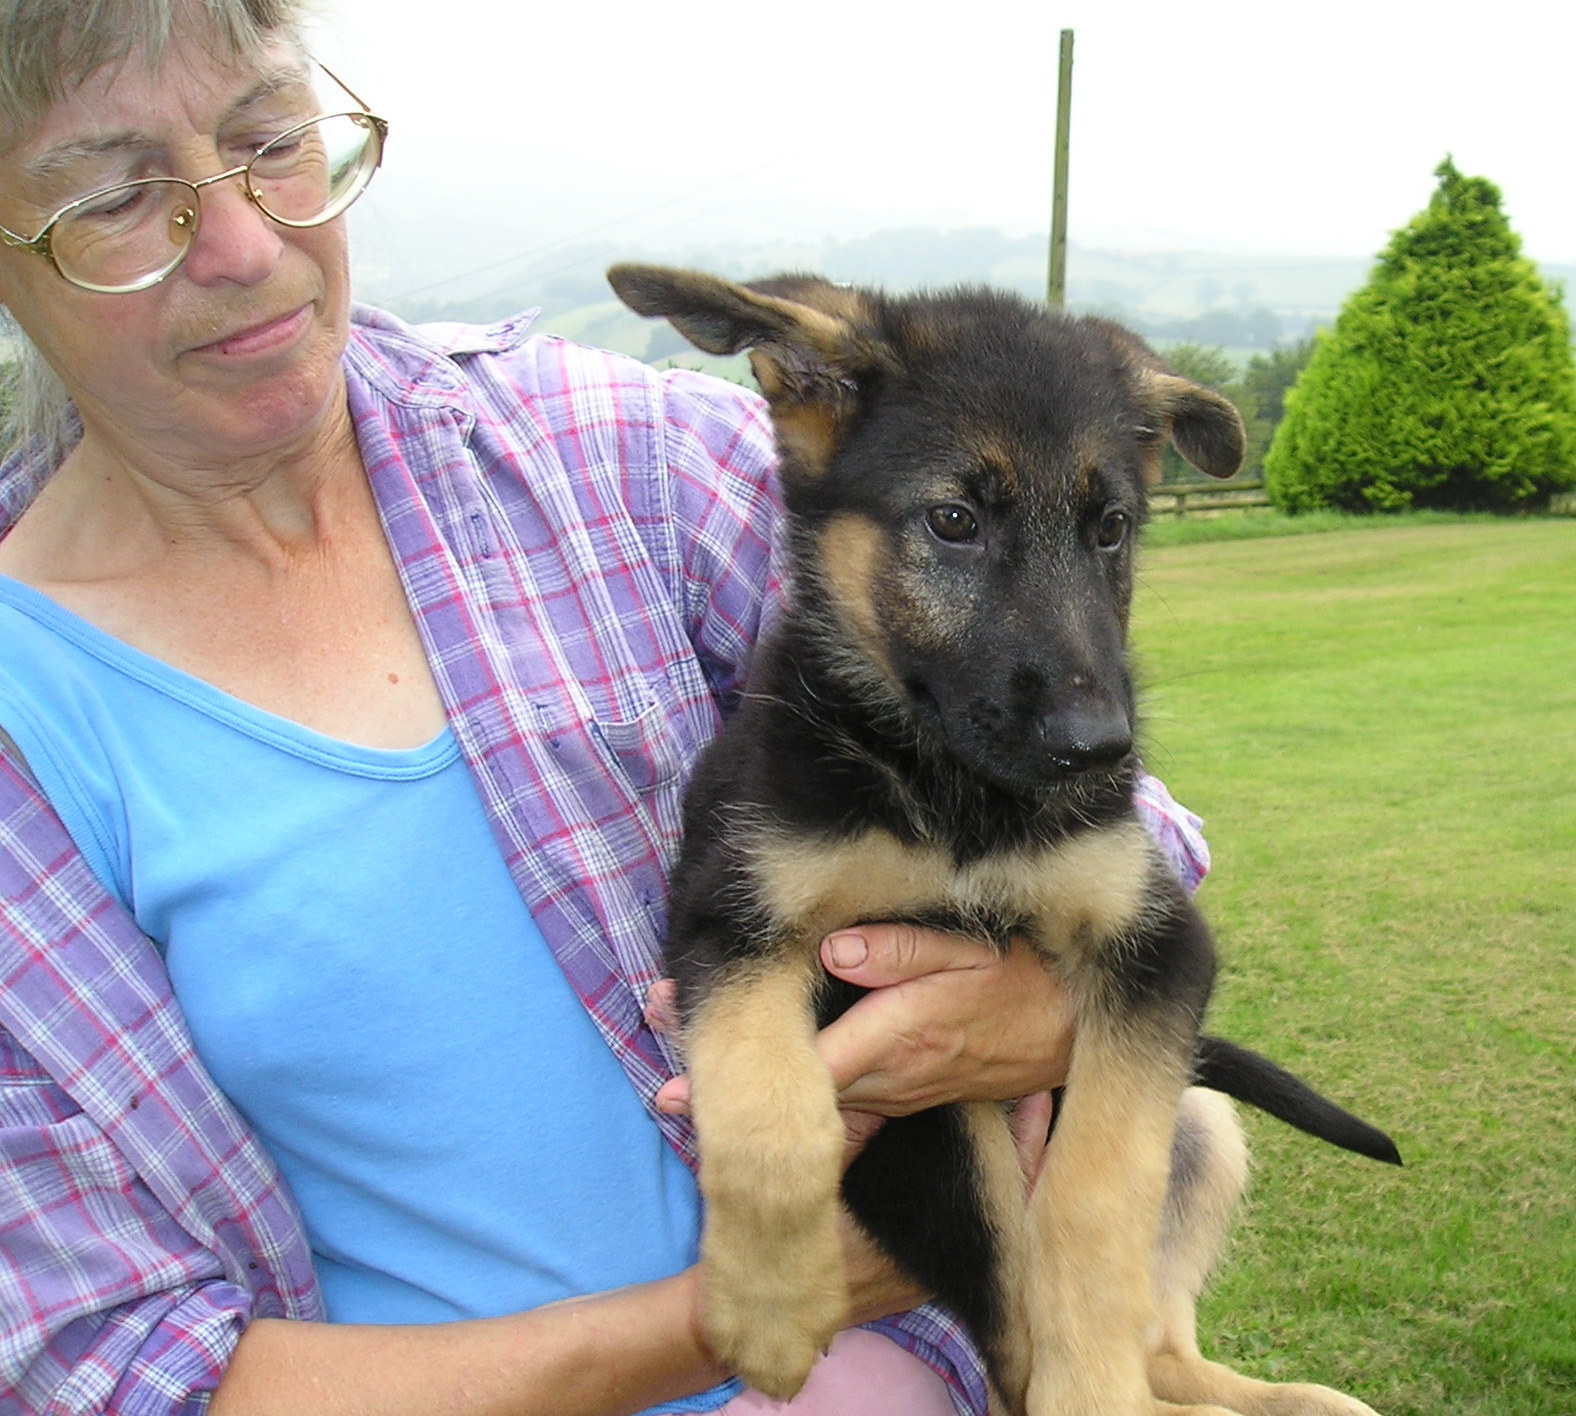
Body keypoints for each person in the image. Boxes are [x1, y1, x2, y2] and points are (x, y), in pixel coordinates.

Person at [0, 3, 1211, 1413]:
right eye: (115, 196)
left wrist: (1038, 1003)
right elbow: (114, 1370)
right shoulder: (31, 725)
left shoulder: (612, 457)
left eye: (269, 141)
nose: (244, 246)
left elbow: (1125, 828)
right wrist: (738, 1303)